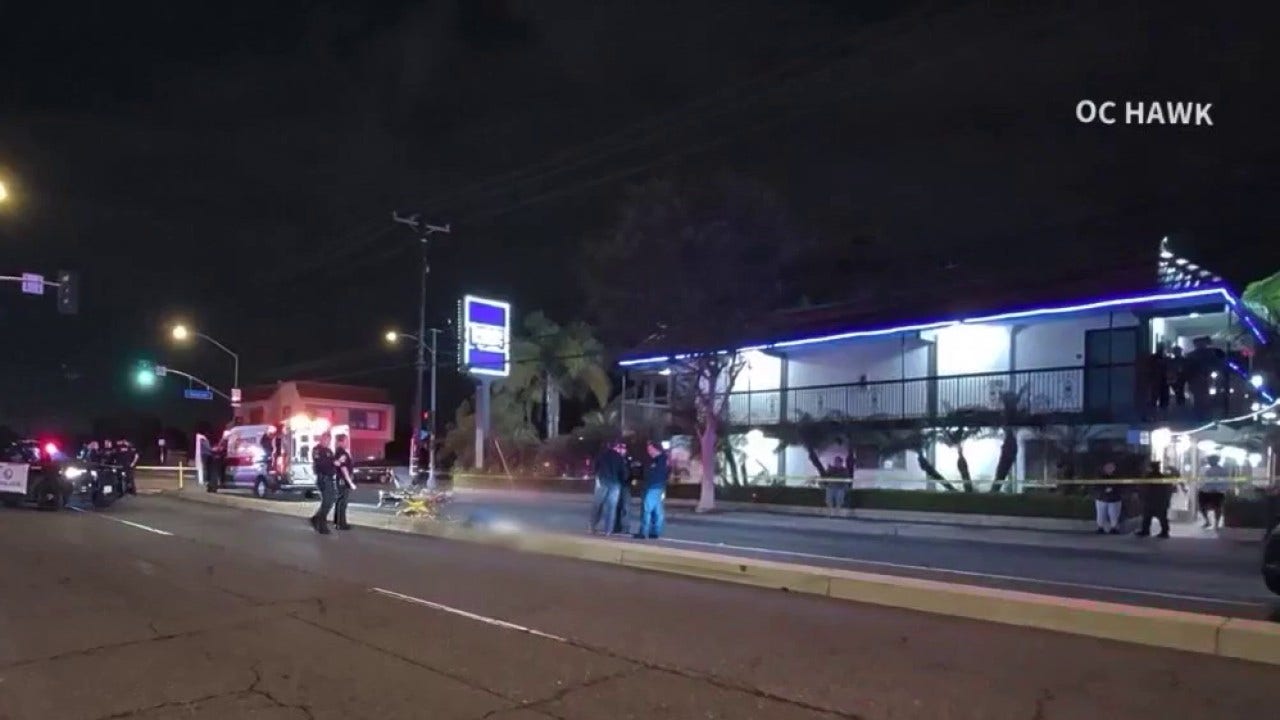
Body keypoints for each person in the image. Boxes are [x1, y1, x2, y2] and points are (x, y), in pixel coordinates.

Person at [590, 441, 627, 535]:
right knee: (611, 507)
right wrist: (622, 481)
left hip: (602, 482)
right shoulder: (619, 457)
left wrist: (597, 476)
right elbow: (623, 472)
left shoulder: (601, 455)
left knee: (597, 505)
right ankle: (608, 530)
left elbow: (595, 468)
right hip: (615, 483)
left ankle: (592, 526)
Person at [635, 440, 670, 539]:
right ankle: (654, 532)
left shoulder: (660, 460)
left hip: (653, 486)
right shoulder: (660, 459)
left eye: (650, 449)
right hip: (658, 487)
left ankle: (643, 532)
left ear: (656, 449)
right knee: (657, 510)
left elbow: (653, 474)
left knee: (647, 509)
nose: (649, 452)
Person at [309, 432, 337, 534]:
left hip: (330, 478)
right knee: (326, 502)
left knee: (331, 501)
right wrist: (332, 463)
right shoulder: (317, 450)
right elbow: (320, 463)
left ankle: (316, 518)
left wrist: (334, 464)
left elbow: (333, 463)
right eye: (326, 439)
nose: (327, 442)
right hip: (323, 479)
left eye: (329, 440)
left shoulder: (329, 451)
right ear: (321, 439)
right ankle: (321, 524)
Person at [1135, 461, 1172, 539]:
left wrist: (1142, 497)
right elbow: (1168, 490)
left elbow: (1143, 489)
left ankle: (1145, 531)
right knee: (1162, 517)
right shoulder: (1162, 477)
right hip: (1160, 502)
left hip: (1150, 501)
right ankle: (1164, 531)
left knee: (1147, 517)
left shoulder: (1148, 477)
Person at [1198, 454, 1230, 529]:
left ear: (1215, 461)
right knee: (1203, 507)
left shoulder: (1222, 470)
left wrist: (1222, 489)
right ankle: (1209, 522)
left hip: (1216, 491)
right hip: (1208, 490)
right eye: (1209, 460)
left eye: (1210, 460)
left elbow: (1225, 482)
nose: (1209, 462)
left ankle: (1215, 523)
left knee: (1217, 508)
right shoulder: (1207, 469)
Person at [331, 434, 355, 531]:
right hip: (343, 480)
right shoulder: (342, 453)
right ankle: (341, 524)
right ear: (341, 442)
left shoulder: (338, 452)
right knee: (342, 502)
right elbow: (343, 468)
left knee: (339, 501)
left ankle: (338, 522)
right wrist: (350, 482)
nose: (347, 443)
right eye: (346, 441)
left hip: (340, 479)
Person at [1093, 461, 1123, 534]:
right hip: (1102, 498)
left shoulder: (1118, 476)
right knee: (1101, 514)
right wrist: (1104, 490)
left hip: (1114, 499)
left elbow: (1121, 486)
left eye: (1111, 467)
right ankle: (1100, 527)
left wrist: (1113, 489)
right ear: (1104, 468)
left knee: (1114, 514)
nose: (1109, 469)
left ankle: (1114, 528)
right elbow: (1096, 486)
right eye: (1108, 467)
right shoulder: (1100, 476)